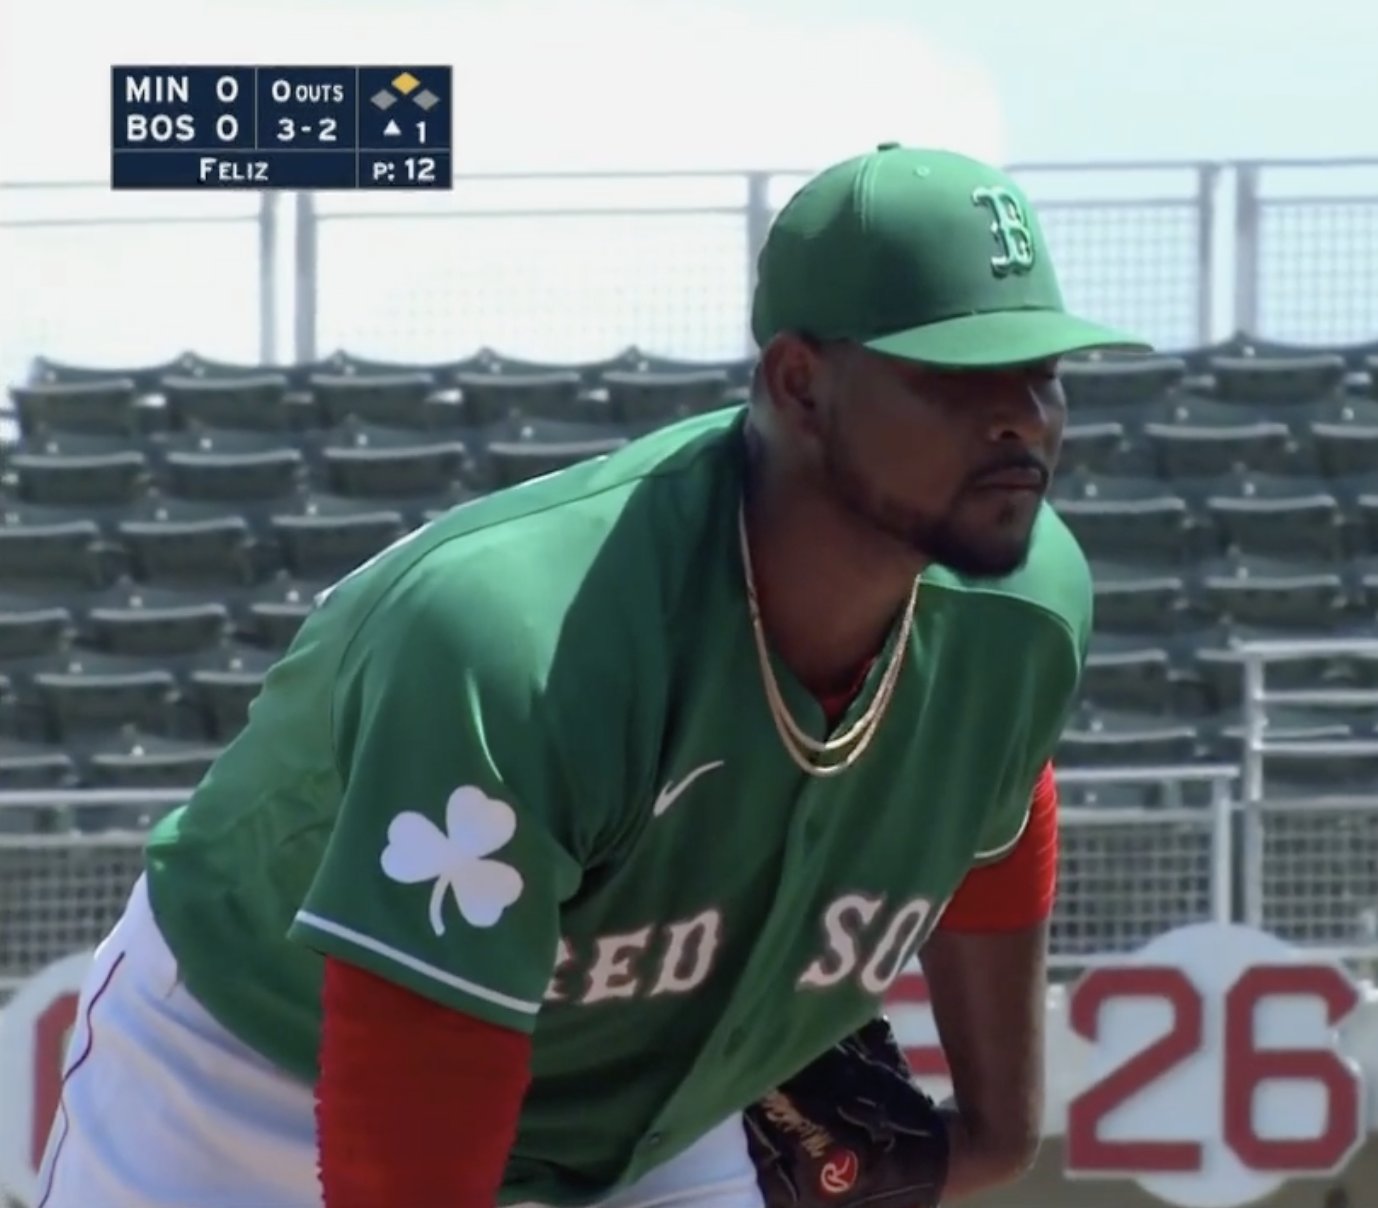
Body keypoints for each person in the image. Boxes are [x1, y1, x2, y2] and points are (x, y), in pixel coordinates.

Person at [36, 143, 1147, 1208]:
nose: (1020, 416)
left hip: (646, 1110)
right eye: (956, 374)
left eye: (1040, 373)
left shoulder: (1022, 602)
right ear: (799, 382)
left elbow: (1001, 798)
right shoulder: (524, 644)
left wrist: (996, 1132)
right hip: (260, 1070)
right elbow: (407, 1137)